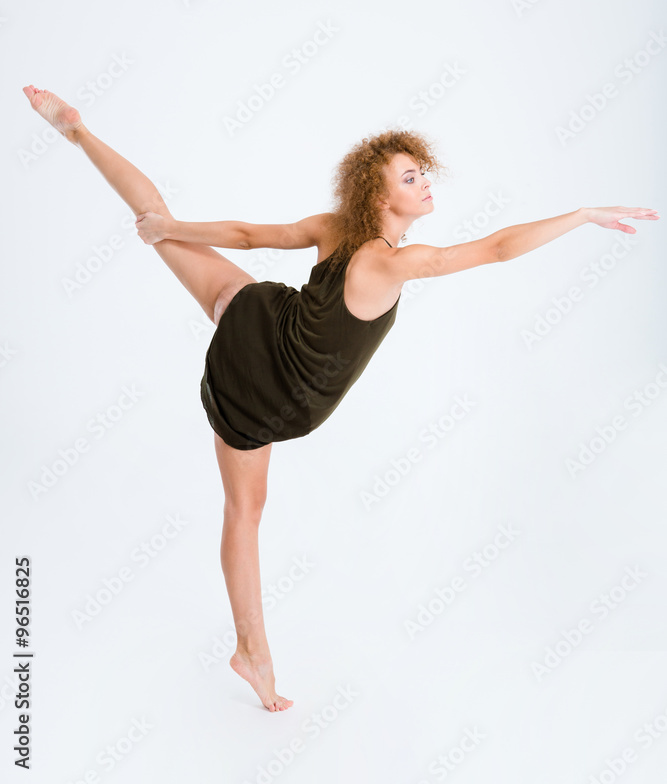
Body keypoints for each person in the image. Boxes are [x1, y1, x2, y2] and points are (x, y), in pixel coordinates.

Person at [21, 84, 659, 712]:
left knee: (168, 237)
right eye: (410, 178)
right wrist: (581, 215)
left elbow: (245, 234)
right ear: (379, 194)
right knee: (244, 514)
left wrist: (169, 228)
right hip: (279, 389)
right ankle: (253, 654)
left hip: (259, 331)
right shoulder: (391, 262)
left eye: (421, 173)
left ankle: (78, 132)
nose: (425, 184)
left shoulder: (333, 229)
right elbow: (495, 250)